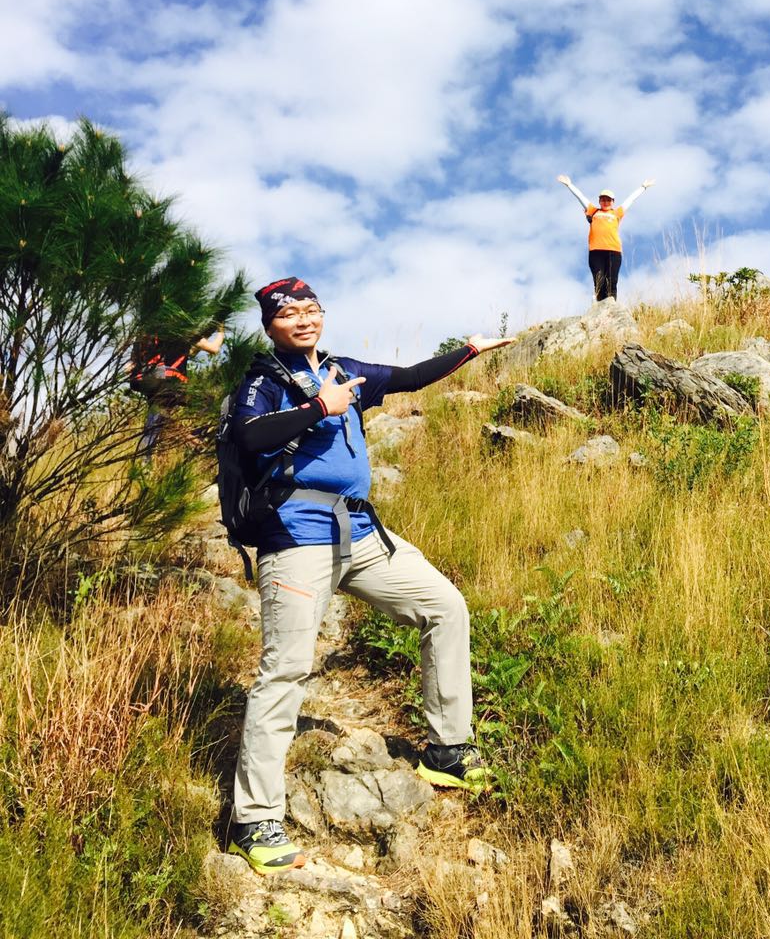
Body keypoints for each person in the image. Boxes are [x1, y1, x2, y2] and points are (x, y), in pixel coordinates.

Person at [227, 276, 511, 877]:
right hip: (296, 535)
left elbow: (408, 377)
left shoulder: (345, 370)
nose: (303, 319)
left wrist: (469, 350)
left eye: (311, 309)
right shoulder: (262, 380)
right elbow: (249, 438)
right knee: (285, 670)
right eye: (289, 313)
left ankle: (446, 752)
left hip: (359, 532)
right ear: (271, 325)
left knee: (444, 606)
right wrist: (317, 408)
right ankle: (254, 820)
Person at [131, 326, 225, 458]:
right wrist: (221, 331)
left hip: (147, 380)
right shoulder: (182, 329)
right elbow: (214, 348)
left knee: (153, 426)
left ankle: (143, 462)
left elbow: (191, 352)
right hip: (169, 381)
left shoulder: (150, 332)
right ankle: (192, 436)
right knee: (207, 401)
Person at [556, 176, 655, 300]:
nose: (605, 202)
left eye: (608, 200)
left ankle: (611, 309)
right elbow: (580, 197)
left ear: (613, 201)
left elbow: (630, 199)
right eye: (603, 200)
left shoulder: (617, 213)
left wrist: (643, 187)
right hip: (595, 251)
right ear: (599, 201)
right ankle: (599, 307)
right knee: (599, 282)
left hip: (614, 251)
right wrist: (569, 185)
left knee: (612, 282)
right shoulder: (593, 211)